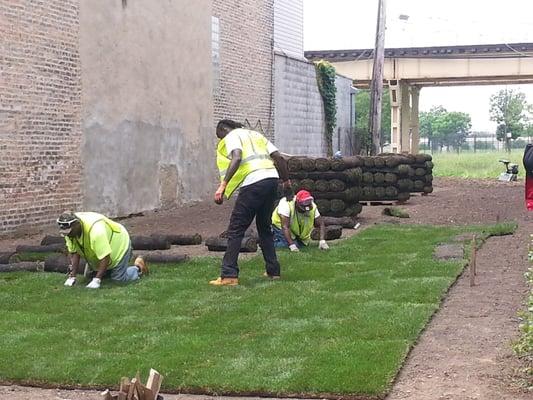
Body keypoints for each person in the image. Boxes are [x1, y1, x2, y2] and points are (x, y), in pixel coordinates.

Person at [210, 119, 290, 286]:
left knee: (236, 229)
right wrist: (287, 182)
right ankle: (273, 271)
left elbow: (237, 157)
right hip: (271, 180)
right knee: (264, 227)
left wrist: (223, 185)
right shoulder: (256, 135)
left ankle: (229, 275)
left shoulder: (232, 135)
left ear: (224, 130)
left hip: (254, 182)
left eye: (220, 137)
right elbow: (279, 159)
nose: (221, 141)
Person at [57, 211, 148, 289]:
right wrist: (72, 277)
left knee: (118, 279)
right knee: (89, 277)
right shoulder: (69, 231)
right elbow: (74, 252)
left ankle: (138, 268)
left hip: (119, 244)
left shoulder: (96, 231)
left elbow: (105, 256)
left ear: (77, 224)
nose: (67, 235)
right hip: (97, 250)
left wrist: (97, 280)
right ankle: (107, 272)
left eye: (69, 232)